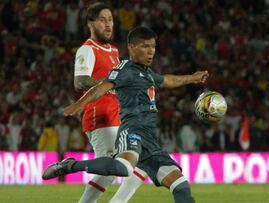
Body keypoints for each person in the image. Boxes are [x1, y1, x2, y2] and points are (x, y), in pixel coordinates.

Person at [43, 26, 208, 203]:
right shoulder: (125, 69)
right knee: (123, 168)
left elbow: (167, 80)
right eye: (145, 46)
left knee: (181, 185)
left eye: (152, 46)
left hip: (151, 142)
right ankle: (70, 165)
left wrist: (192, 78)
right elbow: (102, 87)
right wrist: (81, 103)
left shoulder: (148, 74)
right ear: (131, 47)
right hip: (132, 131)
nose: (150, 51)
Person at [73, 2, 146, 203]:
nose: (108, 24)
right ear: (91, 24)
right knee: (123, 167)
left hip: (117, 117)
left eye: (111, 20)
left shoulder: (113, 50)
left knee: (125, 169)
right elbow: (80, 81)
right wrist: (113, 84)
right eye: (102, 20)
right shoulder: (86, 50)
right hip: (100, 117)